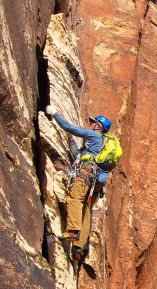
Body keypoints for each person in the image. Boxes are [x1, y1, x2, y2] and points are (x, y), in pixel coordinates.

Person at [45, 105, 111, 259]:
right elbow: (78, 154)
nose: (90, 124)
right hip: (95, 181)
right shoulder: (99, 144)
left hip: (86, 174)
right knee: (86, 210)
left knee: (74, 198)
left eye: (93, 122)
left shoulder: (94, 135)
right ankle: (79, 248)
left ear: (98, 126)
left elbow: (69, 127)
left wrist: (54, 113)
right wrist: (70, 140)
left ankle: (73, 232)